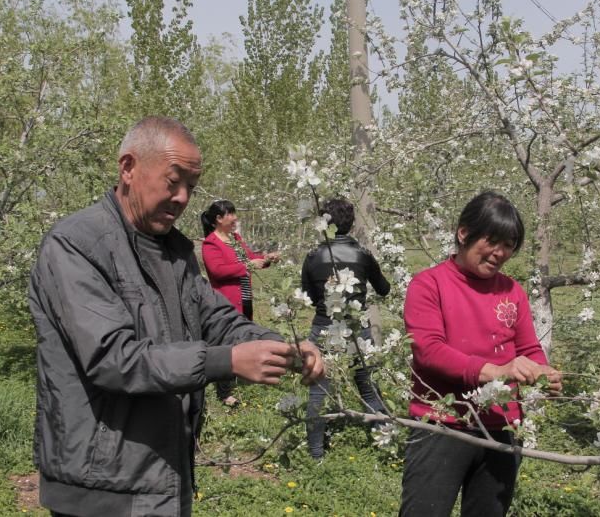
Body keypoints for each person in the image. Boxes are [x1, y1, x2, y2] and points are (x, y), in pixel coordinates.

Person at [28, 116, 324, 517]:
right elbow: (115, 358)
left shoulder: (174, 251)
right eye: (173, 181)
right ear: (128, 168)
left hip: (164, 471)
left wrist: (280, 344)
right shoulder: (76, 246)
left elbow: (218, 318)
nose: (184, 197)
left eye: (192, 187)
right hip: (101, 486)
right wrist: (227, 361)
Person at [400, 191, 562, 517]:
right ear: (464, 234)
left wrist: (541, 373)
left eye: (509, 245)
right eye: (493, 241)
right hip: (441, 424)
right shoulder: (429, 284)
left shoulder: (511, 291)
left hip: (501, 427)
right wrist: (497, 371)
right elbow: (429, 351)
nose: (500, 253)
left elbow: (529, 348)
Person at [300, 198, 391, 460]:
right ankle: (385, 446)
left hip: (324, 329)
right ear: (351, 224)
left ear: (323, 223)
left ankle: (316, 455)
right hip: (357, 329)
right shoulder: (362, 254)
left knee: (318, 392)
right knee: (368, 388)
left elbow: (307, 294)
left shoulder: (312, 256)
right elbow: (384, 289)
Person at [201, 200, 279, 407]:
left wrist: (266, 258)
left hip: (244, 298)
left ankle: (244, 375)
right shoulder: (210, 243)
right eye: (231, 214)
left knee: (244, 338)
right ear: (218, 219)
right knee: (227, 344)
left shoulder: (235, 239)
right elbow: (217, 270)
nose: (235, 218)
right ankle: (224, 393)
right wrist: (246, 265)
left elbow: (251, 258)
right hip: (226, 303)